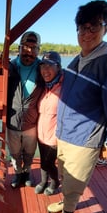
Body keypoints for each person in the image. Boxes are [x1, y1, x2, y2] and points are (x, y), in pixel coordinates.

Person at [46, 0, 107, 213]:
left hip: (85, 138)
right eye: (82, 28)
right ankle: (66, 203)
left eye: (94, 26)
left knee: (75, 180)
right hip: (65, 133)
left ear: (106, 28)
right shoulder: (78, 59)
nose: (87, 33)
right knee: (64, 173)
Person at [0, 31, 42, 188]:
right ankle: (18, 174)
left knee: (30, 152)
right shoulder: (9, 67)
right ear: (19, 48)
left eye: (33, 47)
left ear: (38, 50)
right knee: (15, 152)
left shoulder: (43, 69)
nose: (29, 51)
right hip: (12, 121)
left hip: (33, 122)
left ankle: (27, 172)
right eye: (25, 47)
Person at [35, 51, 62, 195]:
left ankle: (55, 182)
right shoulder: (44, 86)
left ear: (58, 67)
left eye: (50, 66)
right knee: (42, 160)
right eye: (42, 66)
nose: (45, 70)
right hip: (41, 133)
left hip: (54, 136)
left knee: (49, 162)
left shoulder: (65, 86)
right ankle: (43, 181)